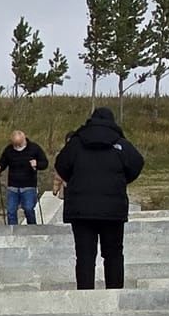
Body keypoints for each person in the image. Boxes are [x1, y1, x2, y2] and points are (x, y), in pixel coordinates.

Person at [53, 107, 145, 291]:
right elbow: (137, 163)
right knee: (113, 254)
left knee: (85, 256)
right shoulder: (120, 143)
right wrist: (121, 181)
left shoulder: (76, 143)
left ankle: (86, 296)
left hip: (81, 209)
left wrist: (75, 180)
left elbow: (61, 165)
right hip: (113, 208)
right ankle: (115, 294)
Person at [0, 129, 48, 225]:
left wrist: (37, 164)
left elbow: (45, 163)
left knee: (28, 209)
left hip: (29, 186)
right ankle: (13, 233)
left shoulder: (34, 148)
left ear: (24, 139)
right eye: (15, 144)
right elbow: (3, 161)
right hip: (13, 186)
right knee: (11, 211)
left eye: (19, 144)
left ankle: (32, 229)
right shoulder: (9, 150)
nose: (17, 146)